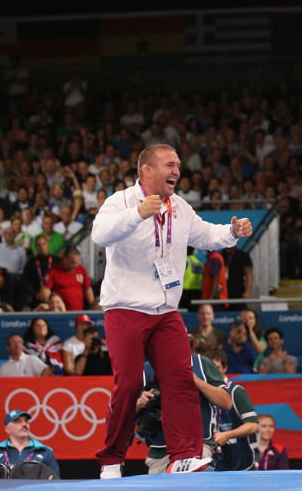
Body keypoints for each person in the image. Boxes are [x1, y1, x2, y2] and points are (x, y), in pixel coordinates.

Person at [90, 143, 253, 478]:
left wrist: (231, 233)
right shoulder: (120, 202)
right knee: (130, 383)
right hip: (125, 309)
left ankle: (184, 455)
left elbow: (206, 233)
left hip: (165, 311)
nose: (177, 170)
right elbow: (99, 234)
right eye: (170, 164)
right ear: (147, 170)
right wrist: (138, 213)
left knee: (180, 379)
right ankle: (111, 459)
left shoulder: (178, 206)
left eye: (178, 164)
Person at [139, 351, 234, 474]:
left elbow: (226, 402)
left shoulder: (201, 363)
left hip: (198, 446)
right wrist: (139, 403)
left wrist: (196, 380)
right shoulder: (147, 368)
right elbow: (125, 411)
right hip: (160, 448)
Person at [0, 410, 61, 476]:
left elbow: (54, 481)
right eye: (17, 421)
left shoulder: (45, 451)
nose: (24, 424)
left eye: (26, 421)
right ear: (7, 429)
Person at [40, 246, 95, 311]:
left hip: (78, 312)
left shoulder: (81, 270)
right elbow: (44, 292)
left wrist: (92, 305)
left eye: (77, 262)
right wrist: (54, 305)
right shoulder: (53, 271)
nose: (76, 265)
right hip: (61, 313)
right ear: (65, 259)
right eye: (73, 263)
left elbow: (87, 289)